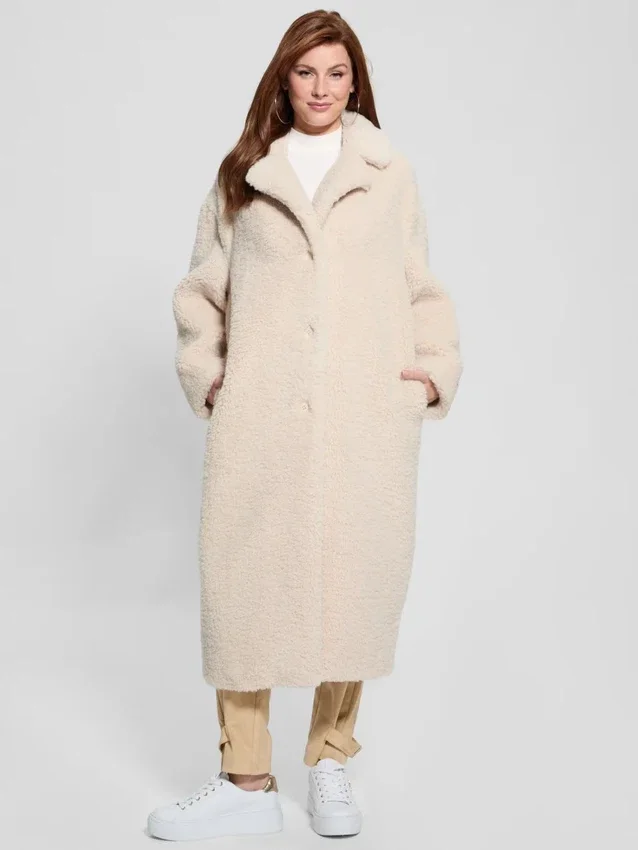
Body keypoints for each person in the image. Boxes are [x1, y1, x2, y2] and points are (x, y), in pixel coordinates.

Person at [146, 9, 462, 842]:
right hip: (262, 418)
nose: (321, 88)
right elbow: (201, 290)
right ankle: (246, 782)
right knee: (242, 590)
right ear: (283, 81)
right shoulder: (245, 173)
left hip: (364, 417)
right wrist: (211, 374)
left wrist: (432, 370)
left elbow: (420, 285)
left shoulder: (389, 173)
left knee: (356, 585)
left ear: (355, 82)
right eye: (305, 71)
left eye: (336, 72)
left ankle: (330, 762)